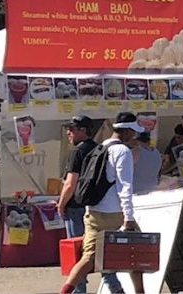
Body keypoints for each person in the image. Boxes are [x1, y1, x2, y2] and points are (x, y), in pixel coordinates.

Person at [61, 112, 145, 294]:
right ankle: (140, 292)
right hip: (114, 213)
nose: (134, 136)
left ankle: (65, 291)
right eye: (133, 132)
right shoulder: (123, 152)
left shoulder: (100, 148)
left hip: (92, 211)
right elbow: (125, 186)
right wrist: (128, 217)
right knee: (136, 252)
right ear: (127, 132)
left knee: (88, 257)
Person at [56, 115, 122, 294]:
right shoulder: (100, 149)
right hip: (97, 206)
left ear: (83, 130)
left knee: (79, 253)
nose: (69, 133)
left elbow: (71, 183)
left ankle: (80, 290)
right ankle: (114, 288)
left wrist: (61, 204)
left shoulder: (78, 152)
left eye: (72, 129)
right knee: (102, 252)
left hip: (77, 207)